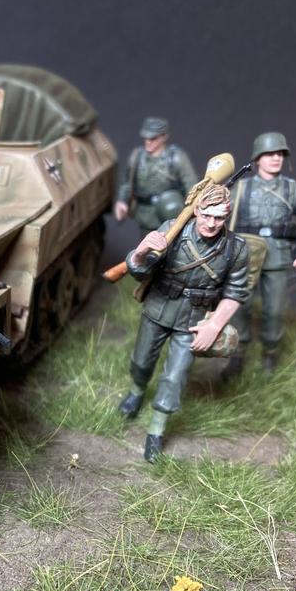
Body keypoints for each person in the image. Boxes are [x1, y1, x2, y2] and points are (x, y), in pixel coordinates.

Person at [118, 183, 250, 462]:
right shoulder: (174, 229)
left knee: (175, 376)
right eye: (206, 215)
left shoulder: (235, 248)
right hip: (159, 308)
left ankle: (156, 430)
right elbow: (140, 270)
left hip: (194, 319)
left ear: (227, 216)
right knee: (142, 360)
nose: (211, 223)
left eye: (219, 217)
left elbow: (236, 292)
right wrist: (140, 251)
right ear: (196, 210)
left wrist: (214, 325)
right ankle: (136, 392)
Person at [224, 132, 296, 376]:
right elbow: (219, 215)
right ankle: (237, 353)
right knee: (237, 306)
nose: (276, 158)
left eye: (280, 153)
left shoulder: (291, 188)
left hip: (278, 257)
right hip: (245, 255)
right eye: (269, 153)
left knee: (274, 311)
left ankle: (270, 353)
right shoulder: (242, 186)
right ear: (257, 158)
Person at [114, 116, 199, 239]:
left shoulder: (176, 158)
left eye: (153, 138)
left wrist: (191, 212)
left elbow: (192, 187)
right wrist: (122, 201)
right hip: (146, 215)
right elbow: (127, 183)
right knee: (147, 246)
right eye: (146, 138)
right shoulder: (137, 157)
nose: (148, 142)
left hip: (172, 213)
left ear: (164, 137)